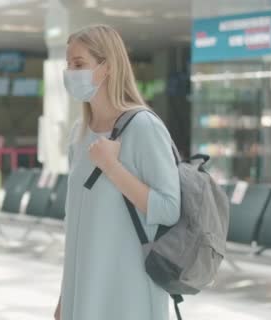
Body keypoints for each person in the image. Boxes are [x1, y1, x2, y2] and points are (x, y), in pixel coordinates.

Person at [54, 25, 180, 320]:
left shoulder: (143, 127)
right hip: (83, 293)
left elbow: (169, 208)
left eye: (79, 64)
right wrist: (65, 296)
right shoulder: (79, 134)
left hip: (128, 294)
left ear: (107, 67)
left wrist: (111, 166)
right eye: (68, 64)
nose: (70, 73)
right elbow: (76, 226)